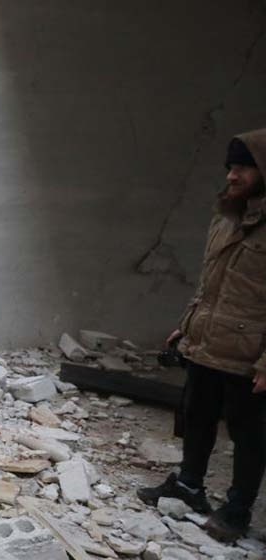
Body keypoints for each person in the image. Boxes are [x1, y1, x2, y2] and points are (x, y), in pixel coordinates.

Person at [138, 128, 266, 542]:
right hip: (208, 341)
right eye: (231, 166)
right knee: (196, 417)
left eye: (244, 166)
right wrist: (188, 323)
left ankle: (237, 511)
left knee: (249, 434)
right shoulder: (227, 216)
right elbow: (210, 282)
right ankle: (190, 486)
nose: (232, 175)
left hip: (249, 352)